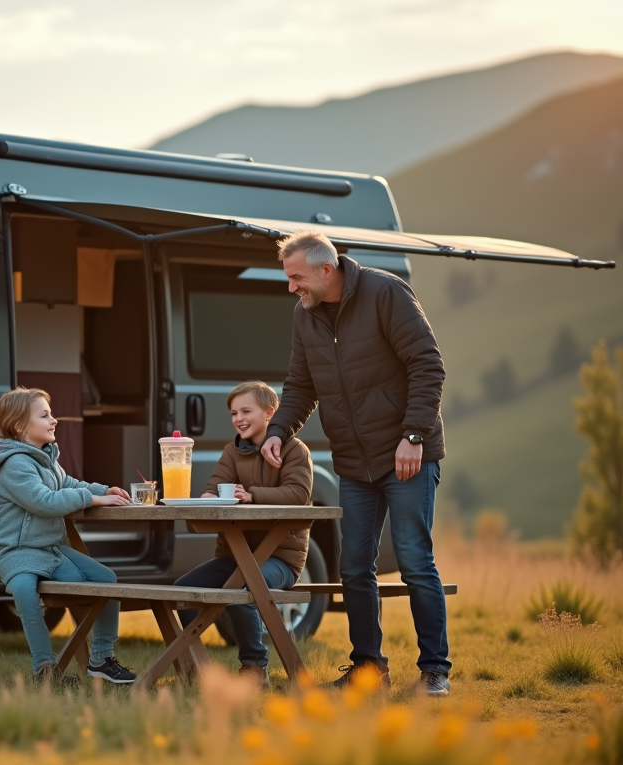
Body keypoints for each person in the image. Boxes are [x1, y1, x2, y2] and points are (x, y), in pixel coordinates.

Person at [260, 230, 452, 697]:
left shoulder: (385, 293)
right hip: (353, 461)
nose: (291, 287)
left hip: (407, 455)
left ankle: (434, 670)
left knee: (414, 561)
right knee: (353, 567)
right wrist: (277, 430)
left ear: (327, 270)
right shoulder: (304, 315)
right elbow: (301, 384)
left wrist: (414, 436)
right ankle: (368, 668)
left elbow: (428, 364)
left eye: (297, 278)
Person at [0, 387, 138, 686]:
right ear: (19, 426)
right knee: (25, 594)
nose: (54, 420)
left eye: (51, 414)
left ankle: (102, 658)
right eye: (45, 415)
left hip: (50, 549)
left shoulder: (45, 457)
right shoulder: (14, 464)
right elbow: (44, 501)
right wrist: (93, 499)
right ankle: (45, 669)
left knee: (106, 581)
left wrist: (103, 490)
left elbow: (67, 483)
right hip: (16, 552)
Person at [175, 381, 313, 689]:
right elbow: (214, 487)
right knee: (182, 592)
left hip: (281, 559)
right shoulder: (232, 450)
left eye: (246, 411)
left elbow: (298, 493)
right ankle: (196, 666)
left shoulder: (295, 450)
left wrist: (252, 495)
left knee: (243, 586)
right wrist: (209, 498)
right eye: (234, 413)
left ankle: (254, 667)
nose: (238, 418)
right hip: (235, 556)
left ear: (269, 413)